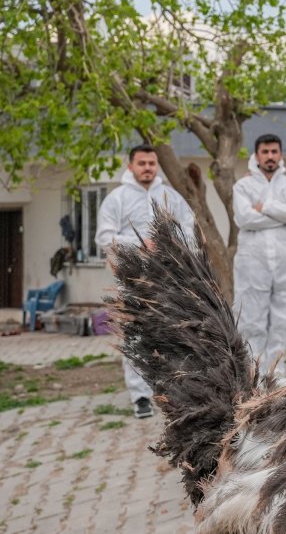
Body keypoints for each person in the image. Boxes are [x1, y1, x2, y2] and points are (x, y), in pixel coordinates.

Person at [95, 144, 195, 418]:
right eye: (142, 163)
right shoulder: (117, 198)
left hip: (167, 277)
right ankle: (140, 396)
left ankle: (172, 393)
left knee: (171, 333)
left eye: (152, 163)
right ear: (131, 166)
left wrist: (175, 249)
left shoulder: (169, 196)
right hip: (133, 276)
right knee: (136, 334)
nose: (148, 168)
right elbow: (104, 238)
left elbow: (189, 228)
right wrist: (140, 244)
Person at [232, 134, 286, 384]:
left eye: (275, 151)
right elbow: (244, 219)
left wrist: (264, 207)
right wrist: (280, 213)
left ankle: (275, 372)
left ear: (281, 155)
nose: (270, 156)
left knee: (284, 318)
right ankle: (252, 373)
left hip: (285, 264)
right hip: (253, 263)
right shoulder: (242, 187)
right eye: (265, 152)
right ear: (257, 155)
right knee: (251, 318)